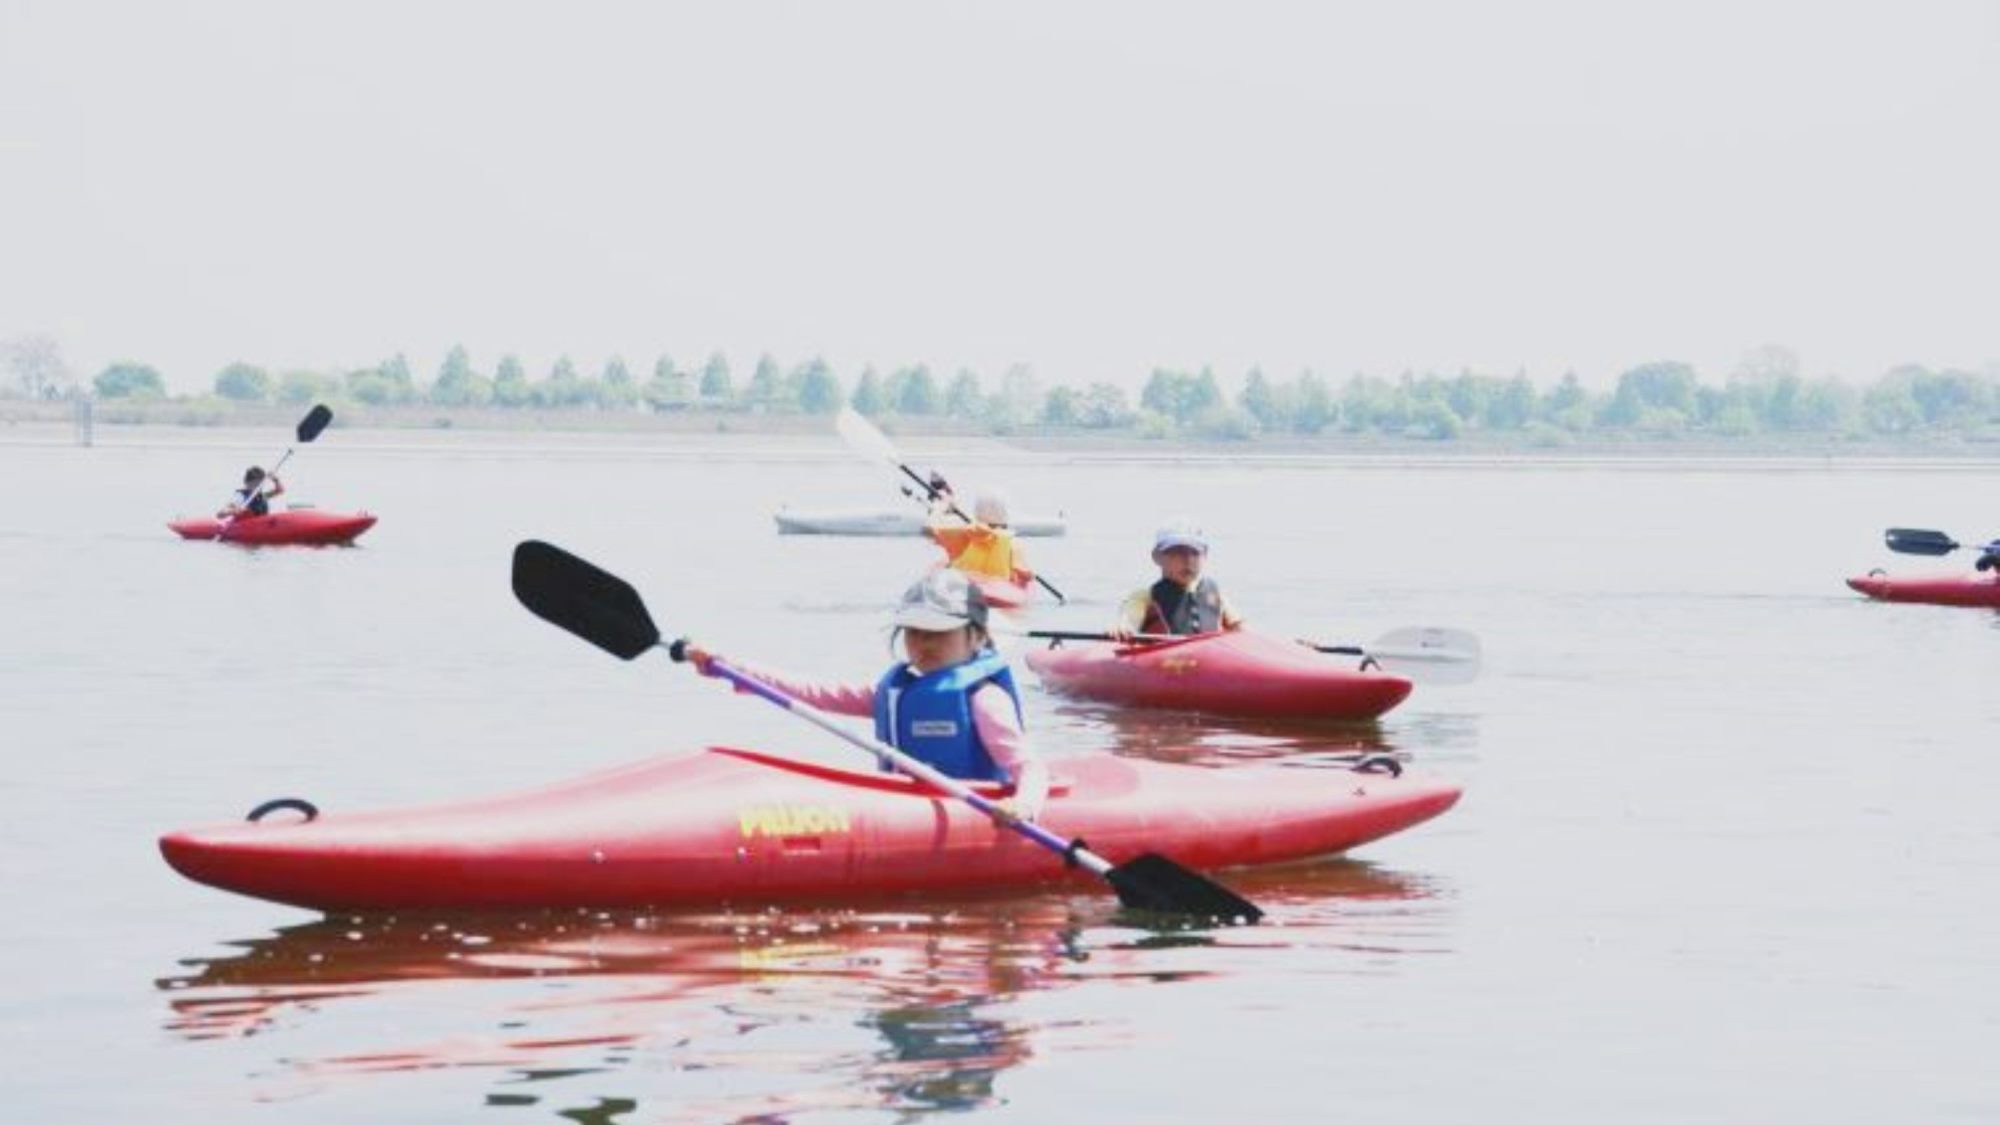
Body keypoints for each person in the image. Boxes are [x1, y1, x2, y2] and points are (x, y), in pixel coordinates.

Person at [681, 569, 1050, 822]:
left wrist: (1024, 805)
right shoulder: (892, 693)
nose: (924, 643)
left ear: (978, 636)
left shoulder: (984, 700)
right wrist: (727, 666)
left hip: (974, 810)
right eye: (915, 632)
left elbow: (1028, 766)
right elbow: (813, 693)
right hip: (903, 811)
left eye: (939, 632)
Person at [1109, 518, 1244, 641]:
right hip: (1168, 662)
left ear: (1205, 556)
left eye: (1195, 553)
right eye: (1177, 552)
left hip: (1211, 660)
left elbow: (1242, 631)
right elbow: (1129, 622)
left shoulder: (1217, 596)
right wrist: (1122, 629)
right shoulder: (1143, 597)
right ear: (1157, 557)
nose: (1188, 561)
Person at [925, 490, 1032, 585]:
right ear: (1005, 515)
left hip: (962, 584)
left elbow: (930, 530)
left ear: (977, 513)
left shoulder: (962, 534)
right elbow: (1024, 575)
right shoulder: (1012, 543)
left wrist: (941, 507)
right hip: (996, 588)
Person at [219, 466, 284, 519]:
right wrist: (233, 511)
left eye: (260, 484)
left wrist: (275, 480)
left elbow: (279, 490)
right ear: (246, 483)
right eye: (254, 484)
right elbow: (221, 513)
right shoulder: (240, 496)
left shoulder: (262, 496)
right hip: (245, 528)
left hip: (262, 528)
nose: (257, 487)